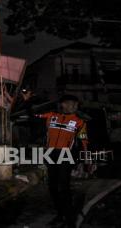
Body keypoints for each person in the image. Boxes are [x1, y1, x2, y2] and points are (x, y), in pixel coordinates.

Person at [35, 94, 90, 227]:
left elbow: (84, 141)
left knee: (63, 187)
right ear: (63, 104)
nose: (75, 106)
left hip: (66, 155)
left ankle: (69, 218)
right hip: (50, 154)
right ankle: (60, 215)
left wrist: (87, 158)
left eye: (76, 104)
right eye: (72, 103)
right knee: (52, 187)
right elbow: (34, 114)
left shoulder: (80, 121)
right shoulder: (51, 116)